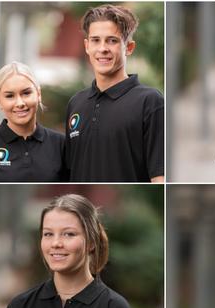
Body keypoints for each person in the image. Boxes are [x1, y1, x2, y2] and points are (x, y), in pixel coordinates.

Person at [0, 194, 144, 308]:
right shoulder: (20, 307)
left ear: (91, 242)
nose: (56, 243)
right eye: (48, 234)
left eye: (68, 234)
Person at [65, 4, 164, 182]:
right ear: (87, 46)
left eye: (112, 40)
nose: (103, 48)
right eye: (96, 40)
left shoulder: (150, 102)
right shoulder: (76, 103)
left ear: (129, 47)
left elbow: (159, 177)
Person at [0, 62, 65, 182]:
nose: (20, 103)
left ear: (38, 94)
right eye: (10, 96)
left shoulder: (60, 144)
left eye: (26, 93)